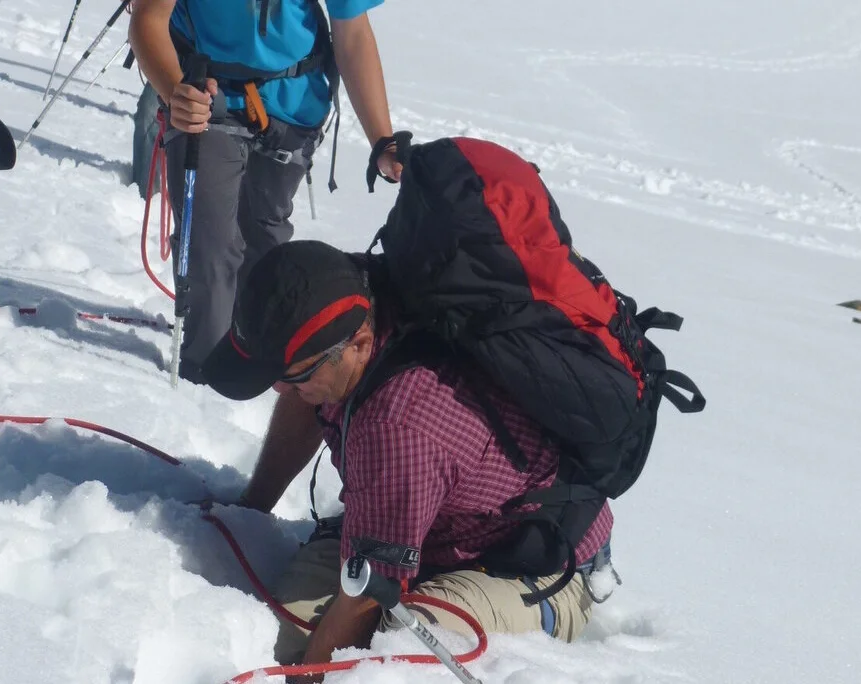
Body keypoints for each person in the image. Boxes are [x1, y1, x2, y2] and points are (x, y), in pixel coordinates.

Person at [200, 240, 616, 669]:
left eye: (294, 376)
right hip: (424, 525)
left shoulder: (397, 427)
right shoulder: (355, 295)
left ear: (360, 343)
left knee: (396, 654)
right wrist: (251, 508)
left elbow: (365, 595)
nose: (278, 390)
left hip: (533, 564)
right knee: (285, 643)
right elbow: (303, 392)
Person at [129, 0, 403, 383]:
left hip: (294, 105)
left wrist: (382, 143)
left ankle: (261, 360)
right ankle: (206, 373)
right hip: (207, 96)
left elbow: (352, 32)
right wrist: (176, 93)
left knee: (265, 236)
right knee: (210, 240)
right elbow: (148, 18)